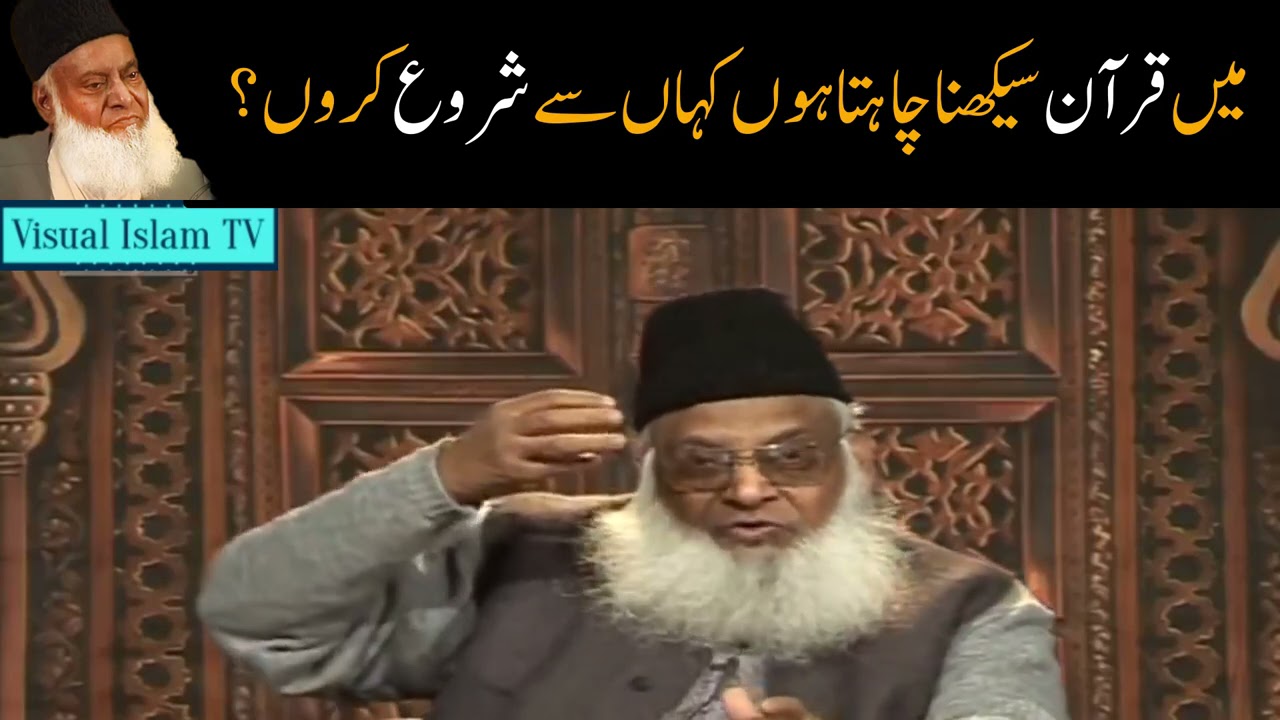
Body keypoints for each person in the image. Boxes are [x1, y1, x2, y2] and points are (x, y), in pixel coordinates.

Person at [197, 288, 1070, 720]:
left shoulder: (974, 610)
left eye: (791, 458)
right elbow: (253, 611)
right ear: (651, 472)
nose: (749, 490)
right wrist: (444, 478)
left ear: (857, 458)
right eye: (702, 463)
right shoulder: (522, 550)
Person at [1, 0, 212, 200]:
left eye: (131, 75)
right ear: (46, 102)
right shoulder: (6, 180)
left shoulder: (188, 184)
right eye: (95, 84)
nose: (124, 98)